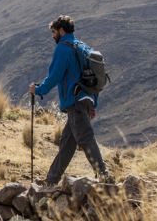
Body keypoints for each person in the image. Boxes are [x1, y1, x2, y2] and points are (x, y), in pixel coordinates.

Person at [29, 15, 113, 185]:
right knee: (67, 144)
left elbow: (54, 76)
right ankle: (51, 180)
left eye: (53, 32)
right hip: (86, 100)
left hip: (75, 102)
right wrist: (91, 104)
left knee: (85, 137)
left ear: (61, 30)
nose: (53, 36)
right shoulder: (81, 46)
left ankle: (104, 175)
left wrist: (37, 90)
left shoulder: (63, 48)